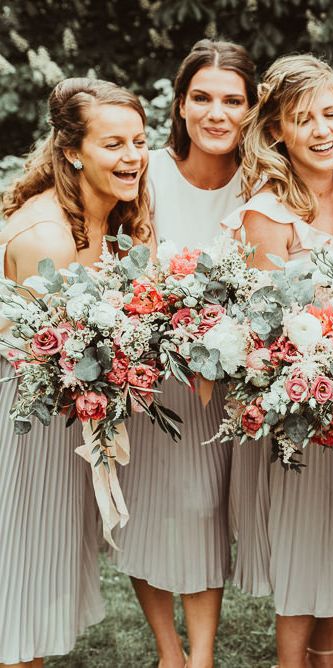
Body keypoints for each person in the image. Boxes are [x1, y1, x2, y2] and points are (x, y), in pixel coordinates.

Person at [110, 39, 255, 668]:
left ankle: (199, 658)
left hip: (228, 382)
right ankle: (170, 652)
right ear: (181, 105)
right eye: (202, 98)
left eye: (231, 100)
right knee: (142, 509)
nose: (216, 112)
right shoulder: (148, 175)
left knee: (204, 509)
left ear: (251, 110)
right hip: (152, 372)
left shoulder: (262, 183)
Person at [0, 77, 151, 667]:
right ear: (71, 151)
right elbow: (38, 358)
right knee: (18, 584)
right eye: (113, 144)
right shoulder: (49, 238)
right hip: (23, 425)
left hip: (60, 425)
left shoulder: (111, 217)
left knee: (36, 584)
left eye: (138, 141)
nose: (133, 156)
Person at [222, 54, 333, 668]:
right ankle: (291, 660)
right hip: (300, 401)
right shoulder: (267, 213)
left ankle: (326, 655)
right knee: (305, 536)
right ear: (277, 130)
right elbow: (264, 331)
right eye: (303, 120)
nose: (322, 130)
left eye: (331, 114)